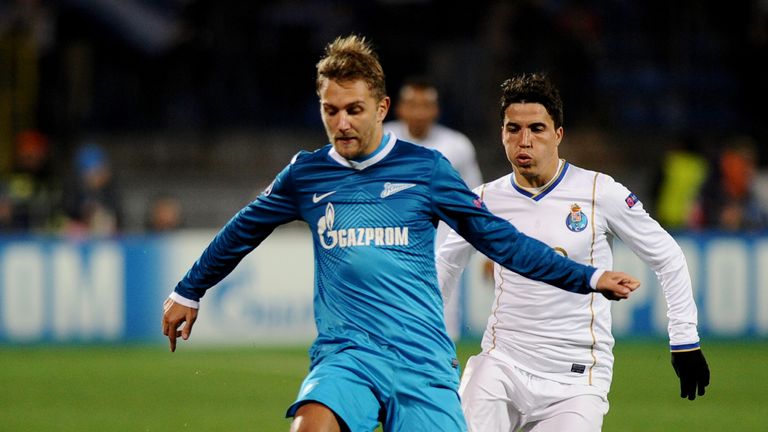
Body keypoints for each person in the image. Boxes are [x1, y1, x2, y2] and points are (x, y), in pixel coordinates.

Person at [161, 37, 640, 432]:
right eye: (331, 110)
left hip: (422, 361)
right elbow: (242, 230)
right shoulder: (306, 175)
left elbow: (502, 241)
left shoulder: (428, 170)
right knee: (311, 425)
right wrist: (189, 289)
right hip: (348, 354)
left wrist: (587, 276)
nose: (342, 123)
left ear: (381, 107)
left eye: (354, 109)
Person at [436, 73, 709, 432]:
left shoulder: (599, 192)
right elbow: (444, 264)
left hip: (576, 379)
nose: (524, 140)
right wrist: (427, 340)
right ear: (501, 134)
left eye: (536, 128)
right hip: (501, 363)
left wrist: (684, 338)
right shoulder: (485, 199)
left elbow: (667, 256)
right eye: (513, 129)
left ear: (558, 135)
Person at [384, 77, 484, 338]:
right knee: (390, 327)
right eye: (412, 105)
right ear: (400, 108)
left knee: (441, 325)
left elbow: (477, 200)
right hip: (391, 246)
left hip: (442, 249)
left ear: (435, 110)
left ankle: (440, 377)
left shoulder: (457, 146)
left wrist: (488, 254)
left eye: (425, 105)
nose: (419, 112)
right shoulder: (382, 139)